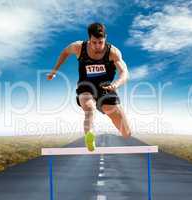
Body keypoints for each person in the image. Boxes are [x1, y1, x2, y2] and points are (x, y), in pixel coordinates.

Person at [47, 22, 131, 151]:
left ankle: (124, 131)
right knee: (89, 108)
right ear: (89, 39)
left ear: (105, 38)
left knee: (126, 132)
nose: (97, 46)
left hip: (106, 87)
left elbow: (125, 72)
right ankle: (89, 136)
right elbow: (64, 53)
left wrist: (116, 84)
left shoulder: (113, 52)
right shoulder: (78, 47)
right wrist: (54, 70)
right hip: (86, 85)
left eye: (100, 42)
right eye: (94, 42)